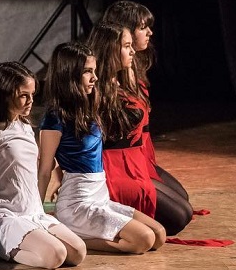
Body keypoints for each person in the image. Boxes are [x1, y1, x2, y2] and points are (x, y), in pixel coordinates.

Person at [0, 62, 86, 269]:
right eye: (24, 95)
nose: (31, 101)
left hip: (33, 211)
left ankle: (18, 244)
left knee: (78, 252)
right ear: (5, 95)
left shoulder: (24, 125)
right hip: (7, 214)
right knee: (55, 256)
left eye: (32, 94)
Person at [37, 42, 166, 254]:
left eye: (94, 71)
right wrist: (36, 213)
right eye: (88, 71)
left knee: (158, 235)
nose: (95, 78)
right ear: (69, 74)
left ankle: (71, 230)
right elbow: (44, 169)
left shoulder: (90, 106)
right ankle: (71, 234)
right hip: (78, 203)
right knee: (143, 240)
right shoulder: (54, 118)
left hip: (100, 196)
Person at [88, 23, 192, 235]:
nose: (133, 51)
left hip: (133, 161)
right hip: (113, 168)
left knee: (185, 210)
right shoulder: (94, 88)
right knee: (179, 218)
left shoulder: (123, 79)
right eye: (127, 46)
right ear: (110, 50)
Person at [101, 0, 191, 201]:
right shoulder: (109, 75)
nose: (150, 32)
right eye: (142, 28)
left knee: (182, 198)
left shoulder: (134, 66)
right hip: (121, 160)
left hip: (141, 152)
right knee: (178, 211)